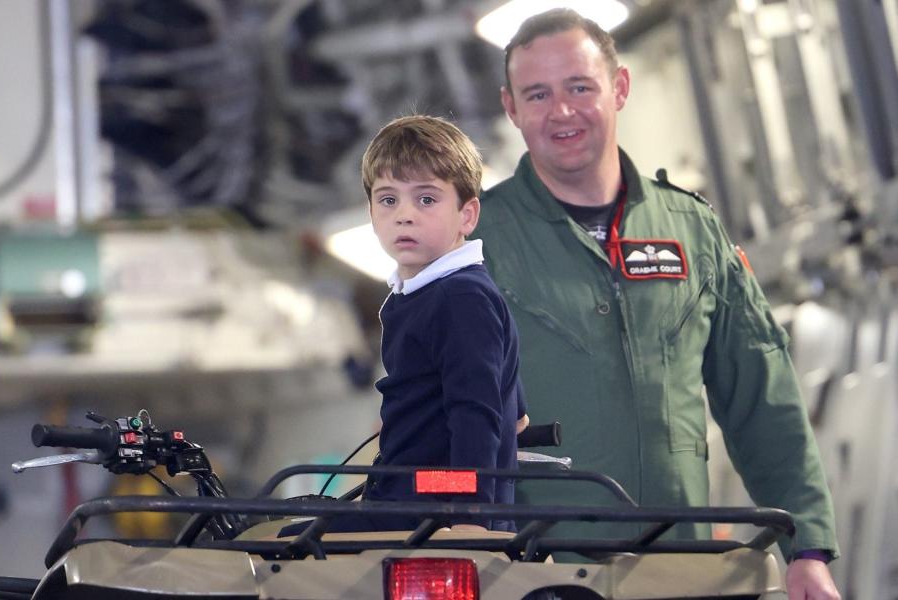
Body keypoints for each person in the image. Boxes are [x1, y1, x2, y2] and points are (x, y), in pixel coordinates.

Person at [470, 8, 840, 598]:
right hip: (536, 574)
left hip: (682, 569)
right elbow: (430, 413)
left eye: (579, 87)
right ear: (511, 108)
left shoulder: (692, 231)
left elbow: (761, 400)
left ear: (619, 89)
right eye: (537, 94)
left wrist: (808, 547)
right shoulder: (475, 242)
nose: (560, 111)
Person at [282, 115, 527, 537]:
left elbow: (477, 414)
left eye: (427, 199)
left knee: (268, 551)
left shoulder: (459, 297)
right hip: (414, 497)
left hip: (437, 511)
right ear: (372, 212)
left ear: (467, 215)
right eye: (389, 199)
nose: (404, 215)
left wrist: (469, 518)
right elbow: (517, 418)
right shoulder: (419, 295)